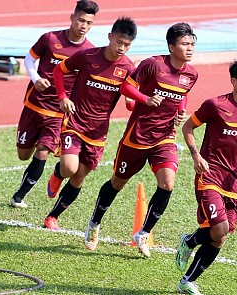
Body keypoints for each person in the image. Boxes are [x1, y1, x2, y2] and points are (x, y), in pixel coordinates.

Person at [83, 22, 198, 255]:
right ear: (171, 46)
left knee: (167, 184)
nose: (190, 48)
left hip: (165, 137)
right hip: (137, 137)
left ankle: (143, 233)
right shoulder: (152, 65)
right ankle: (94, 223)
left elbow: (182, 95)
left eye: (192, 44)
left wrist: (181, 111)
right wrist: (145, 99)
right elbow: (125, 87)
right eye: (185, 44)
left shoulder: (191, 74)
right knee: (117, 182)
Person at [174, 56, 237, 295]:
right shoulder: (216, 104)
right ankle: (189, 241)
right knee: (219, 229)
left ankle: (187, 280)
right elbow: (188, 127)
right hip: (209, 176)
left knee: (220, 237)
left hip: (232, 182)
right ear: (233, 81)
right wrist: (196, 156)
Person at [43, 17, 137, 231]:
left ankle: (52, 217)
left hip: (98, 131)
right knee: (69, 167)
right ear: (110, 37)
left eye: (127, 45)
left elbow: (129, 98)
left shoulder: (128, 68)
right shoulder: (87, 56)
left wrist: (135, 105)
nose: (121, 48)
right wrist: (62, 96)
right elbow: (60, 71)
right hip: (75, 121)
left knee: (79, 177)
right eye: (119, 42)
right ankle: (58, 173)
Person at [10, 0, 99, 208]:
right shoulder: (50, 39)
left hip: (58, 113)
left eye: (89, 22)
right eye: (81, 20)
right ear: (72, 18)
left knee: (43, 151)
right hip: (34, 106)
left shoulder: (89, 52)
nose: (84, 26)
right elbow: (30, 59)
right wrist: (35, 79)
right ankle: (26, 175)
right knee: (24, 155)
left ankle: (19, 197)